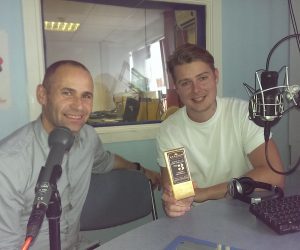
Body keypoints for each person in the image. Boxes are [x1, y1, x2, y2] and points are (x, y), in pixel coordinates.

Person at [0, 60, 161, 249]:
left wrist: (140, 168)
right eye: (67, 93)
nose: (79, 106)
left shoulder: (88, 137)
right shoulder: (8, 162)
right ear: (42, 95)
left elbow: (105, 161)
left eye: (86, 96)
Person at [156, 43, 285, 218]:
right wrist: (172, 205)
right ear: (176, 88)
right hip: (197, 218)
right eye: (186, 83)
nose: (196, 90)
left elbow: (274, 176)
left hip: (244, 211)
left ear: (215, 76)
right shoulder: (169, 130)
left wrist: (205, 193)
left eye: (202, 78)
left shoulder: (244, 114)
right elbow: (177, 192)